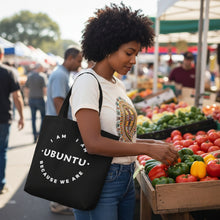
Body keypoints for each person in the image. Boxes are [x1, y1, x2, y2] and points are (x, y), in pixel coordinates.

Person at [69, 3, 178, 220]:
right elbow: (93, 143)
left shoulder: (117, 84)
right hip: (100, 181)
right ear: (108, 46)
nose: (134, 60)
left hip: (126, 178)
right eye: (129, 53)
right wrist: (146, 148)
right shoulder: (87, 82)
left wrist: (155, 145)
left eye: (137, 53)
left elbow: (122, 135)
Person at [46, 46, 82, 215]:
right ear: (70, 58)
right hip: (59, 126)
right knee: (61, 166)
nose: (79, 64)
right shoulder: (60, 75)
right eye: (78, 60)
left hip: (58, 125)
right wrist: (66, 128)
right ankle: (58, 203)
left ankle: (59, 201)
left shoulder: (62, 74)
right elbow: (58, 101)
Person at [0, 46, 24, 194]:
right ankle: (1, 184)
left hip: (4, 117)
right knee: (2, 151)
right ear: (2, 55)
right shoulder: (9, 72)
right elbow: (17, 96)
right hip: (3, 117)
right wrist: (21, 116)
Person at [24, 63, 47, 143]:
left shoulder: (29, 76)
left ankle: (34, 135)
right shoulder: (42, 76)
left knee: (33, 118)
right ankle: (39, 134)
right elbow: (44, 89)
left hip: (31, 99)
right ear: (40, 68)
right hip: (40, 99)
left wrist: (26, 99)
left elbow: (26, 88)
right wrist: (45, 97)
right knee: (43, 117)